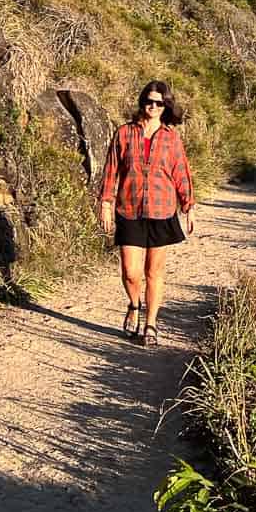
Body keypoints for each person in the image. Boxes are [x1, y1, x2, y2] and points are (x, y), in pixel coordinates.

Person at [97, 80, 195, 345]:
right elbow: (111, 170)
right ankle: (134, 304)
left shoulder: (171, 138)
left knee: (154, 271)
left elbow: (181, 173)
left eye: (159, 103)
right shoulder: (124, 133)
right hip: (128, 209)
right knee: (130, 271)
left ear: (166, 107)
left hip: (162, 210)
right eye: (149, 101)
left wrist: (188, 206)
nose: (153, 106)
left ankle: (150, 324)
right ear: (142, 103)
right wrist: (105, 203)